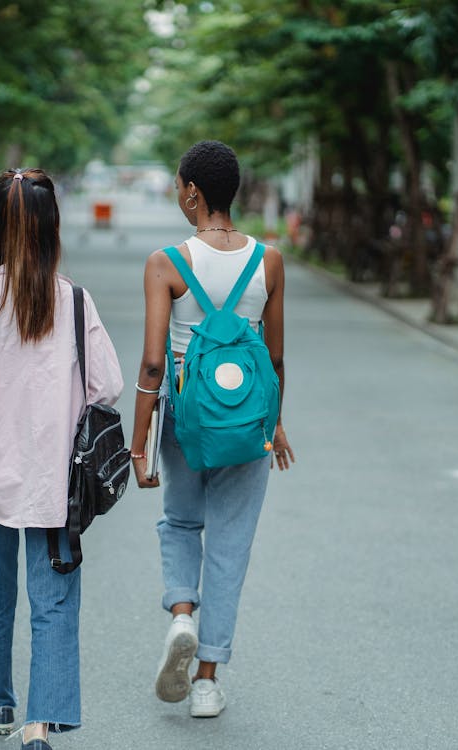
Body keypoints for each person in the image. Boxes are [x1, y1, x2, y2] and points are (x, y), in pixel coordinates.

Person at [0, 168, 123, 750]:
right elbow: (104, 386)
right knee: (52, 598)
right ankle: (40, 724)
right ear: (51, 227)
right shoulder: (75, 302)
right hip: (56, 482)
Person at [129, 141, 294, 719]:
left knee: (180, 520)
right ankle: (206, 681)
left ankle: (182, 616)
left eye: (179, 186)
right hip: (248, 421)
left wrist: (139, 442)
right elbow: (273, 360)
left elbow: (154, 364)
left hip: (186, 416)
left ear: (194, 192)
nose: (179, 195)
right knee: (231, 544)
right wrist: (274, 426)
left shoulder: (167, 263)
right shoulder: (268, 260)